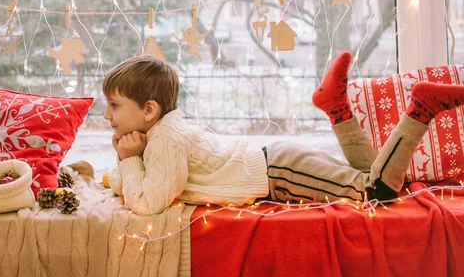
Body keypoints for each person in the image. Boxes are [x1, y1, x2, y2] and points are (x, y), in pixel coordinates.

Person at [102, 53, 464, 215]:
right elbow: (150, 182)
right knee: (366, 180)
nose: (106, 115)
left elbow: (149, 204)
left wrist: (128, 161)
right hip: (277, 163)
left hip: (278, 172)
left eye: (115, 106)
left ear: (149, 109)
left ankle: (421, 109)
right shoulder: (161, 132)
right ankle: (336, 106)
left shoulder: (166, 138)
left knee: (378, 192)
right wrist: (120, 169)